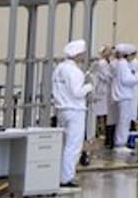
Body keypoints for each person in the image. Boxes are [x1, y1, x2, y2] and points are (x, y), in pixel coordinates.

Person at [51, 40, 93, 188]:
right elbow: (77, 92)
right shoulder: (74, 71)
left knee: (64, 145)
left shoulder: (59, 68)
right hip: (75, 111)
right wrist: (89, 85)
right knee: (73, 145)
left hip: (62, 110)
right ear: (78, 54)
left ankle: (60, 175)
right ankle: (66, 178)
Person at [111, 43, 138, 154]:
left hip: (122, 96)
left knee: (123, 121)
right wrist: (137, 75)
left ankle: (120, 142)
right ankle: (120, 143)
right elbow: (127, 80)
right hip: (124, 96)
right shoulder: (123, 64)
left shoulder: (119, 64)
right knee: (124, 121)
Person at [91, 45, 114, 151]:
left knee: (104, 113)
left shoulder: (107, 63)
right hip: (102, 91)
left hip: (106, 92)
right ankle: (96, 132)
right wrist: (114, 76)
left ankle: (101, 133)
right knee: (99, 113)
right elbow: (105, 76)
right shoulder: (102, 63)